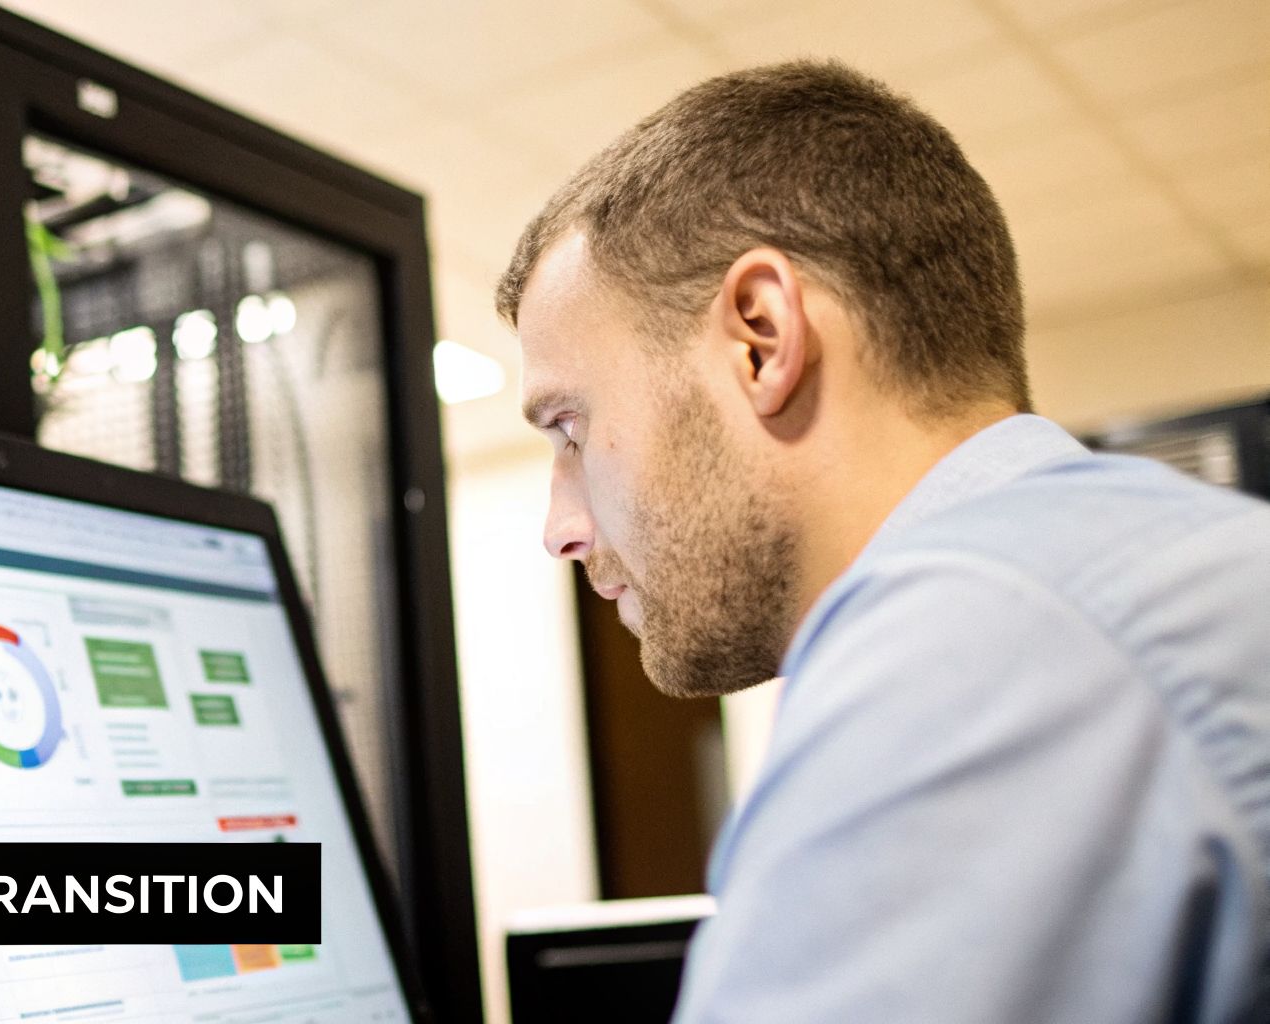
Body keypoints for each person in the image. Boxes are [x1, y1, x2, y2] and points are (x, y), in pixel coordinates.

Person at [497, 60, 1270, 1022]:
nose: (560, 530)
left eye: (570, 429)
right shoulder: (1126, 561)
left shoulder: (974, 643)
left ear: (761, 337)